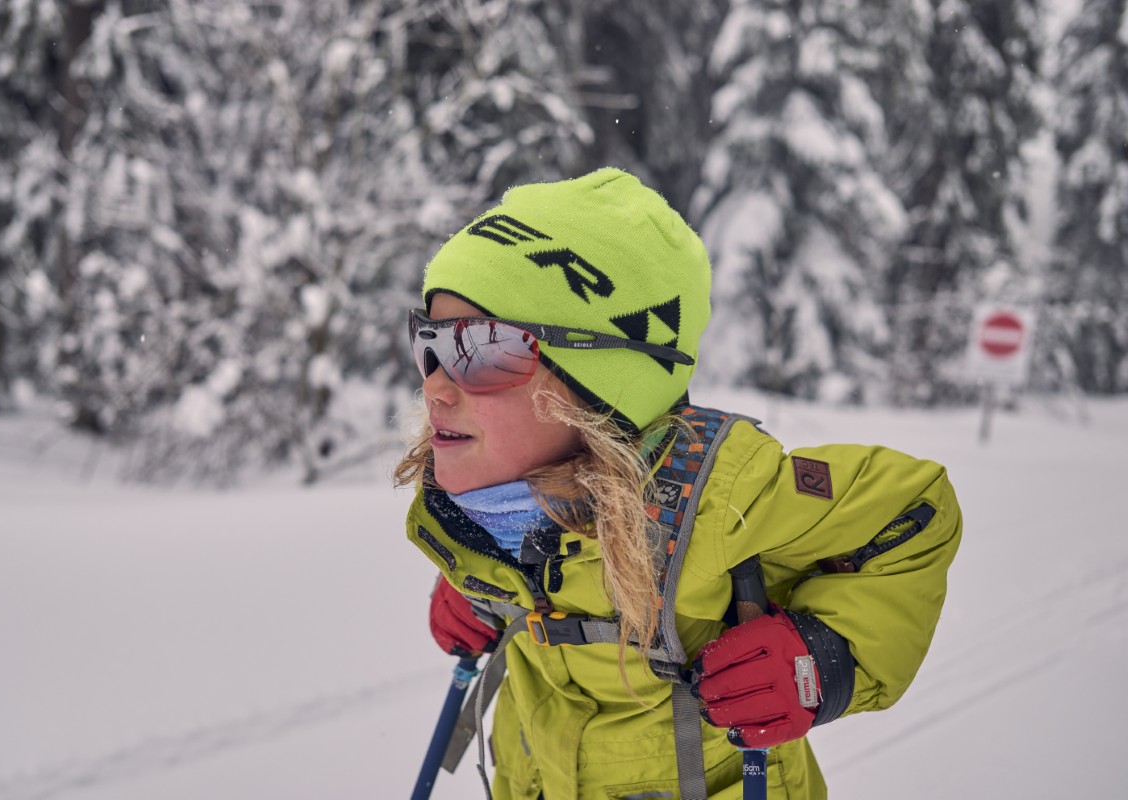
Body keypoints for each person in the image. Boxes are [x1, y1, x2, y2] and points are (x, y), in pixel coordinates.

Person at [395, 168, 962, 800]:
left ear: (601, 383)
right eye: (431, 342)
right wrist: (482, 588)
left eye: (482, 349)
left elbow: (913, 511)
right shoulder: (483, 512)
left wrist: (821, 659)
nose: (437, 385)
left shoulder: (720, 500)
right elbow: (544, 562)